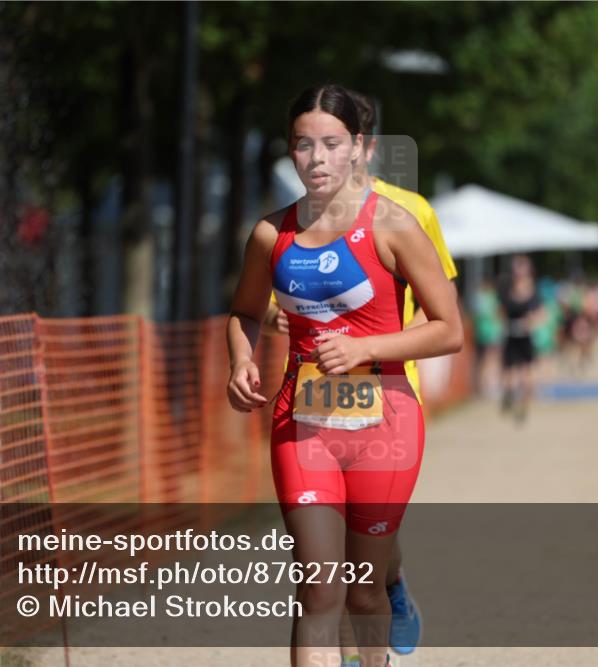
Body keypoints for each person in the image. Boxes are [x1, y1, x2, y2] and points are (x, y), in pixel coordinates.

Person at [227, 83, 462, 667]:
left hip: (386, 420)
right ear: (290, 152)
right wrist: (240, 360)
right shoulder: (269, 233)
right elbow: (246, 312)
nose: (318, 159)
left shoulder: (397, 225)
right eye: (303, 146)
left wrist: (365, 348)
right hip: (302, 424)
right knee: (318, 589)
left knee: (364, 591)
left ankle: (390, 598)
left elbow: (449, 328)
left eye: (332, 144)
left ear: (359, 147)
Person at [498, 255, 544, 423]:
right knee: (509, 372)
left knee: (527, 373)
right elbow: (500, 310)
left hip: (524, 336)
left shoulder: (533, 290)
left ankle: (523, 406)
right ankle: (510, 397)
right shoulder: (506, 288)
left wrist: (529, 323)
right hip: (510, 335)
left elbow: (541, 314)